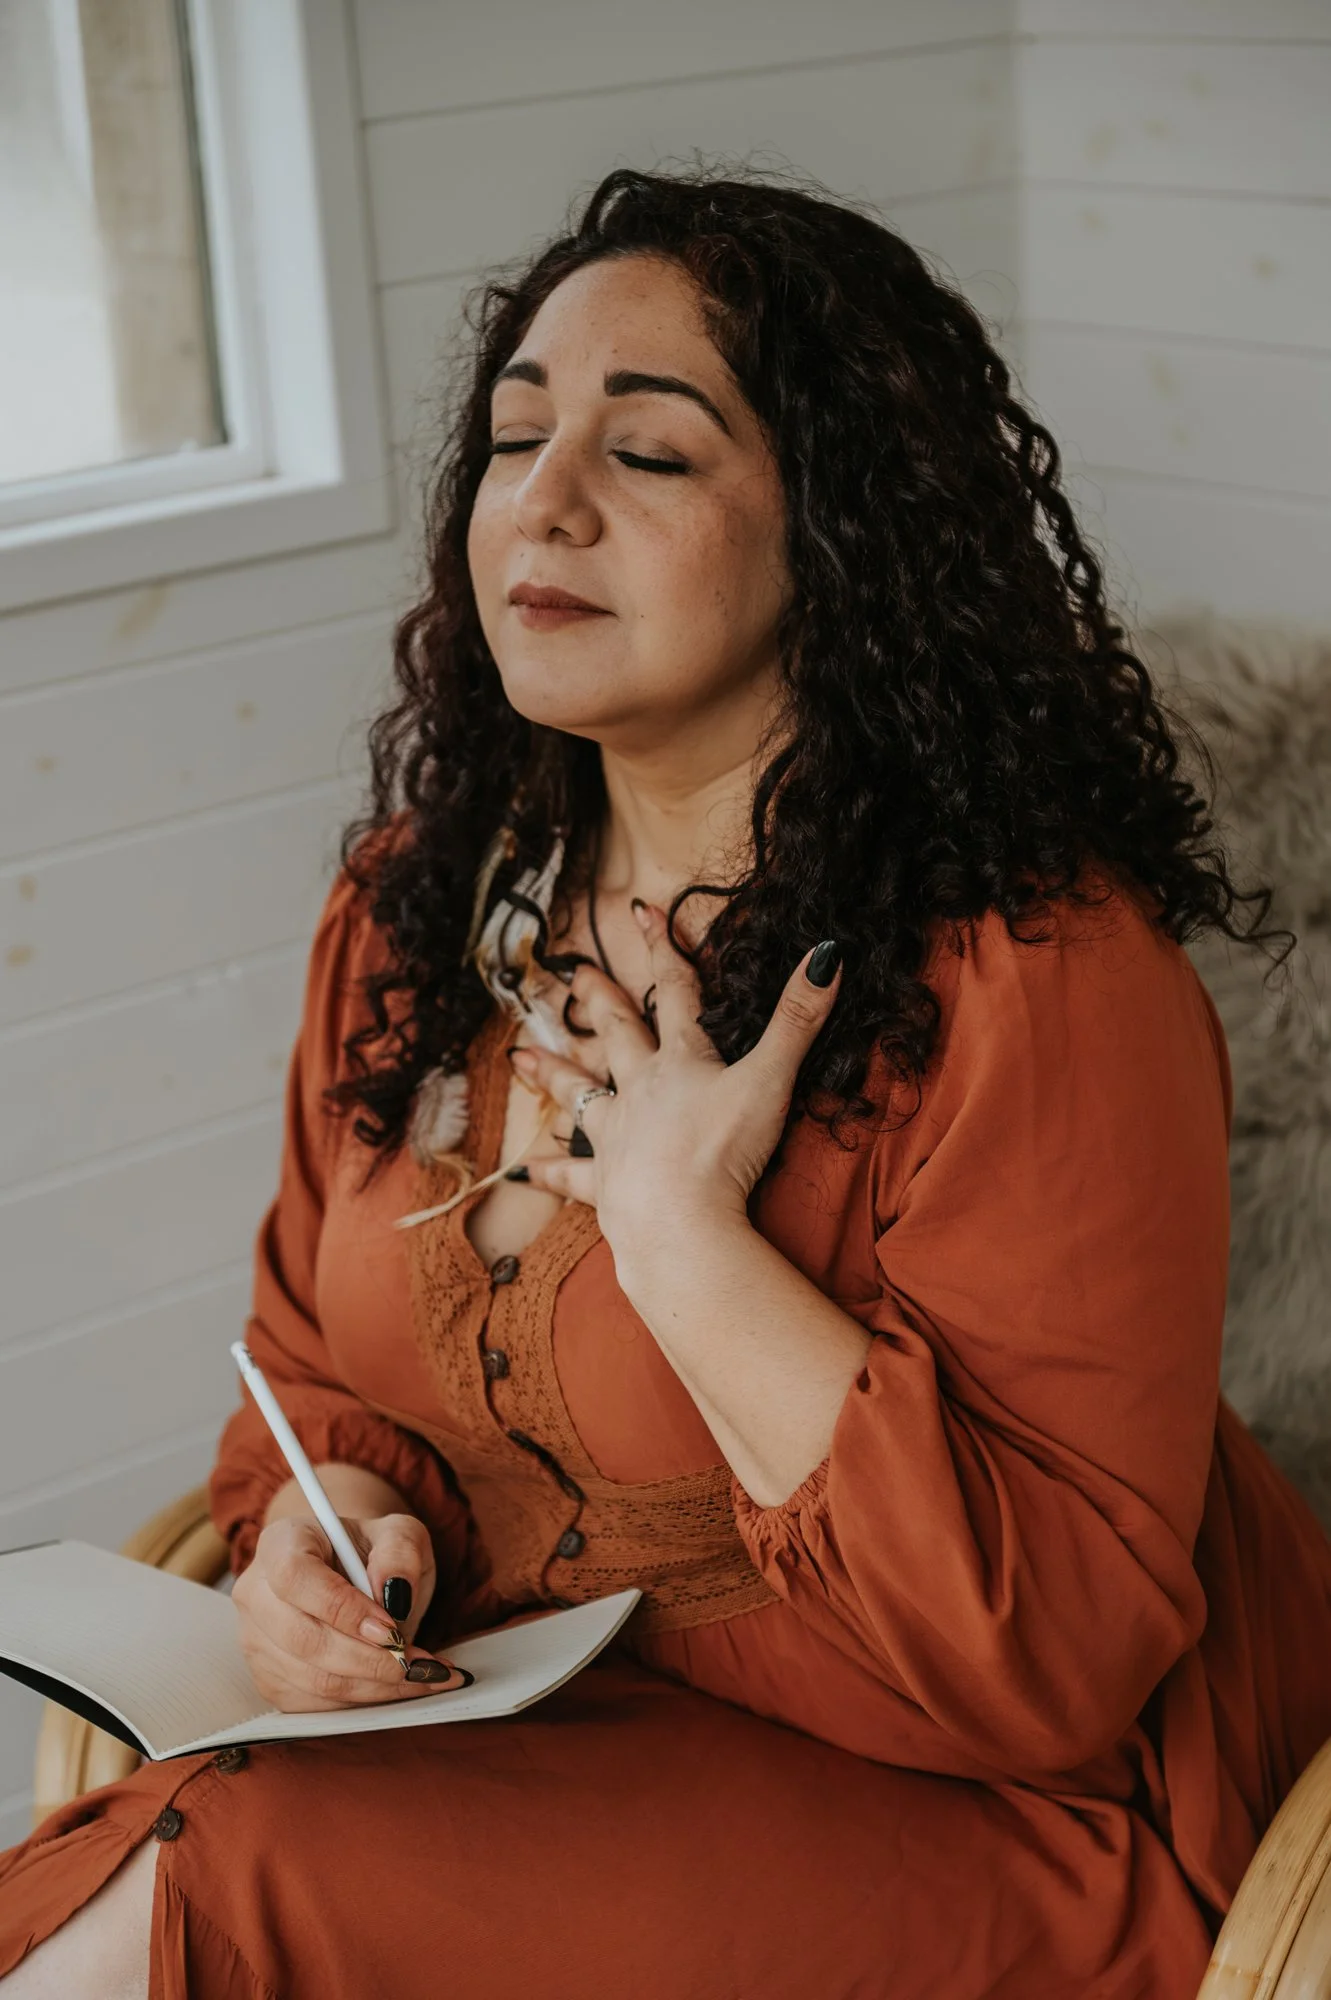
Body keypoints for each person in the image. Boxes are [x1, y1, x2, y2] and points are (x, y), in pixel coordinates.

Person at [1, 162, 1328, 2000]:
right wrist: (329, 1534)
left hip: (998, 1827)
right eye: (511, 438)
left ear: (839, 535)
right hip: (532, 1755)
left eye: (646, 451)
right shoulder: (411, 915)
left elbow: (1041, 1675)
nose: (541, 501)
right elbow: (312, 1377)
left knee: (202, 1882)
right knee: (190, 1855)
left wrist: (688, 1250)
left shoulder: (1040, 977)